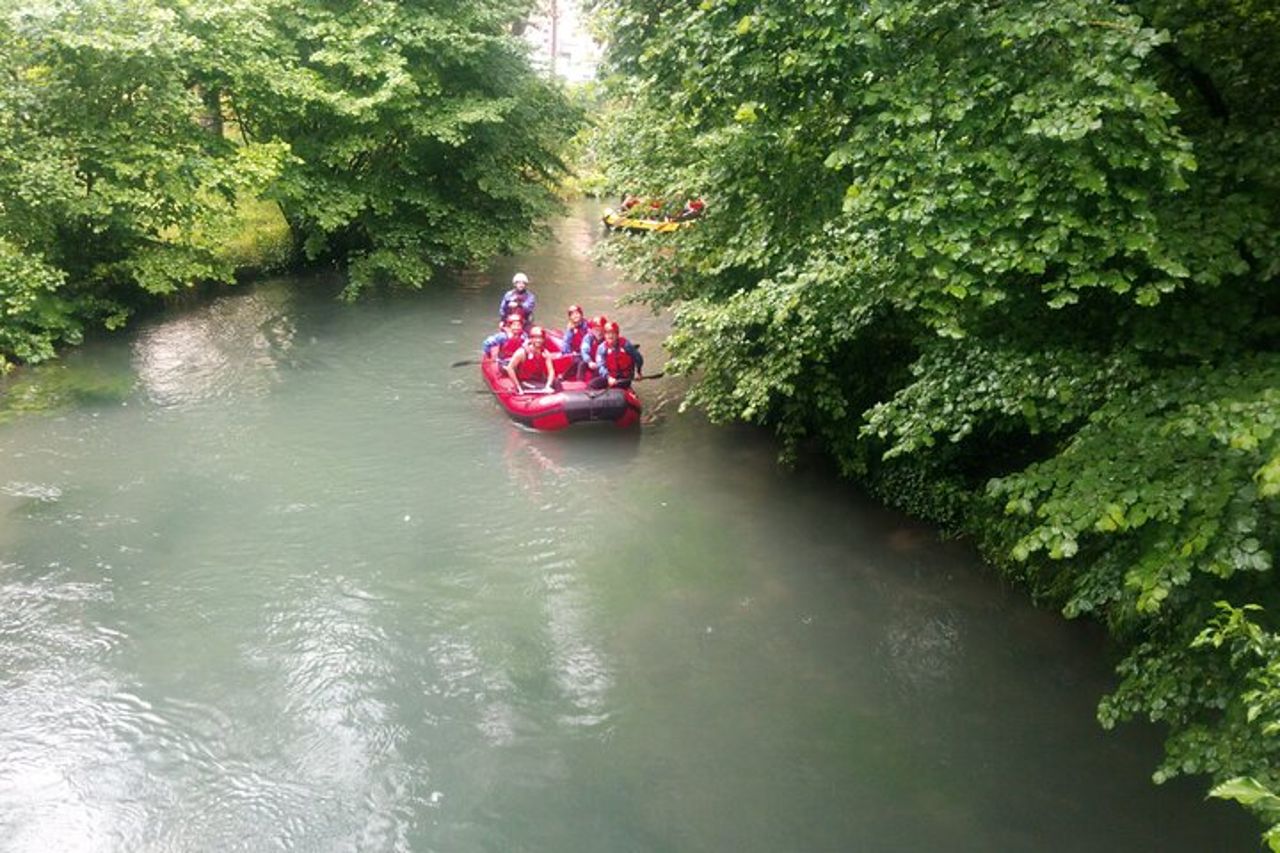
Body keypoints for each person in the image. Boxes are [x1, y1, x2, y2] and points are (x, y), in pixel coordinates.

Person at [588, 321, 643, 389]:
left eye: (612, 333)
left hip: (625, 378)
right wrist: (608, 377)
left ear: (617, 334)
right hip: (610, 376)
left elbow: (638, 358)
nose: (610, 336)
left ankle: (625, 391)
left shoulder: (626, 345)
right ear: (604, 335)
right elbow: (600, 365)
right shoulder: (602, 348)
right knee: (592, 384)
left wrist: (639, 372)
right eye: (608, 333)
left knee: (617, 387)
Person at [505, 326, 558, 393]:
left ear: (543, 339)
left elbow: (551, 371)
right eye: (535, 338)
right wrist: (518, 387)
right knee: (541, 387)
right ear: (530, 339)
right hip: (525, 381)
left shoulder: (545, 352)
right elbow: (510, 368)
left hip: (537, 379)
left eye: (540, 338)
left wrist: (548, 385)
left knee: (556, 383)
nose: (538, 340)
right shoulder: (522, 352)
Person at [579, 314, 608, 379]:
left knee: (599, 372)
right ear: (592, 330)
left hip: (603, 364)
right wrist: (589, 361)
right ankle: (580, 382)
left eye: (601, 330)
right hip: (591, 361)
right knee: (582, 363)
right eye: (596, 330)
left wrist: (599, 365)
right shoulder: (588, 337)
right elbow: (584, 350)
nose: (599, 332)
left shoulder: (608, 339)